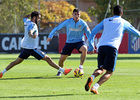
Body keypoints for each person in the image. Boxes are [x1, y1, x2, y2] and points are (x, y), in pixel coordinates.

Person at [85, 5, 140, 94]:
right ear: (121, 13)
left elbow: (94, 31)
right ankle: (95, 87)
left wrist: (91, 46)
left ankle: (92, 76)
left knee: (101, 68)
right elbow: (137, 34)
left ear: (113, 13)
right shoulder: (123, 22)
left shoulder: (106, 21)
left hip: (101, 47)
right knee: (109, 72)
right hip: (112, 48)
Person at [0, 11, 72, 78]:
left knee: (16, 62)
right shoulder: (33, 25)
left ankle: (2, 73)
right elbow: (30, 32)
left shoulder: (27, 21)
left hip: (26, 48)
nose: (39, 20)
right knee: (47, 58)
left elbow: (24, 18)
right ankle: (63, 71)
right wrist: (32, 35)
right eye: (38, 18)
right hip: (32, 49)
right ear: (34, 18)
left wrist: (29, 15)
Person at [47, 8, 91, 76]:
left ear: (80, 15)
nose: (76, 16)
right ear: (72, 14)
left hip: (79, 41)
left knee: (84, 48)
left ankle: (80, 68)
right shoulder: (68, 22)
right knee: (61, 59)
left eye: (78, 14)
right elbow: (57, 28)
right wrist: (50, 36)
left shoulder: (83, 23)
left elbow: (89, 34)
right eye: (75, 14)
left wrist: (91, 44)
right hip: (69, 42)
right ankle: (60, 70)